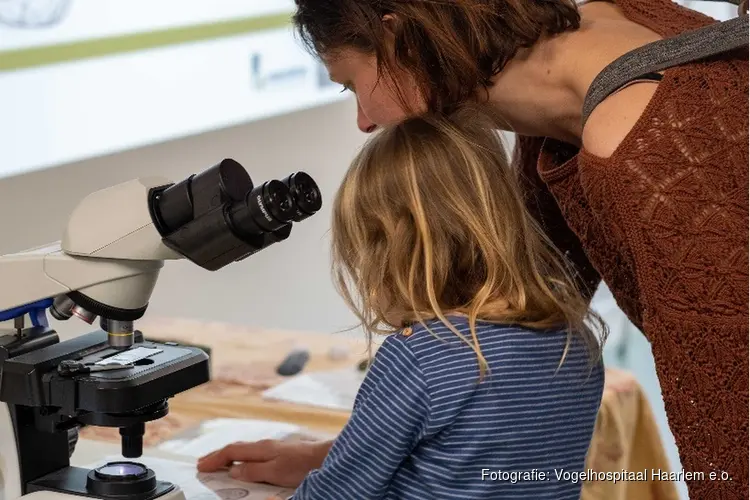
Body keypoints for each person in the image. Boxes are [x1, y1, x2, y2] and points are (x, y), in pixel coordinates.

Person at [200, 0, 749, 498]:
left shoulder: (643, 139)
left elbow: (732, 435)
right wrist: (342, 460)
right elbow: (527, 306)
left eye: (350, 84)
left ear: (400, 42)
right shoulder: (573, 82)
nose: (364, 121)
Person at [202, 107, 607, 499]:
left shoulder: (419, 356)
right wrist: (320, 457)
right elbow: (460, 459)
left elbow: (341, 494)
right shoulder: (576, 340)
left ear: (390, 256)